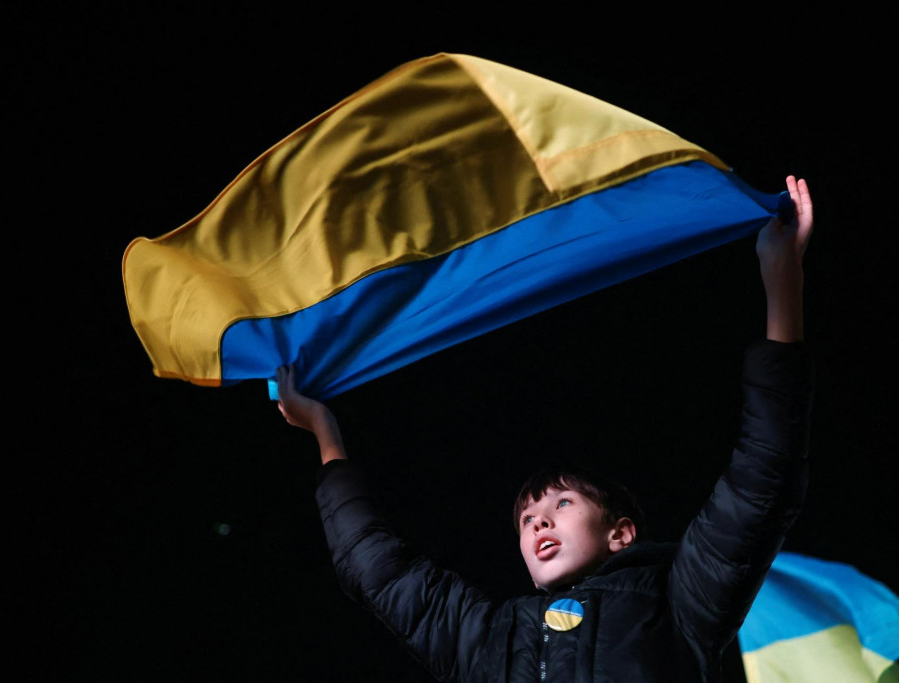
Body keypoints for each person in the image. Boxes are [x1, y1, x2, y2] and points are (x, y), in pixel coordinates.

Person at [276, 176, 814, 682]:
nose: (537, 524)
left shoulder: (679, 600)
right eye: (527, 518)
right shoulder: (486, 637)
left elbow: (762, 478)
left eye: (561, 505)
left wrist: (781, 283)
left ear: (620, 534)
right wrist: (325, 433)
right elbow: (379, 568)